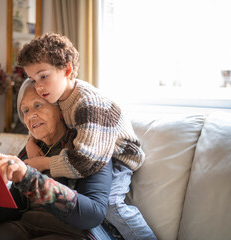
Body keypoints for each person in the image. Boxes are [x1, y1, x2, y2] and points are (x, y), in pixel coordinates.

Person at [0, 80, 118, 240]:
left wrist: (29, 178)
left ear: (60, 109)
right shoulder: (31, 148)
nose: (30, 116)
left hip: (70, 232)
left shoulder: (89, 146)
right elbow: (16, 205)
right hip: (26, 226)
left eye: (38, 105)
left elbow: (92, 215)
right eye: (25, 110)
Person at [16, 33, 156, 239]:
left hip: (118, 154)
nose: (38, 86)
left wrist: (43, 163)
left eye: (43, 76)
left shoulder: (88, 104)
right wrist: (31, 140)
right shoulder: (59, 96)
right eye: (33, 79)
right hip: (93, 148)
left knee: (112, 204)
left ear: (68, 69)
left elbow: (84, 161)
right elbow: (39, 120)